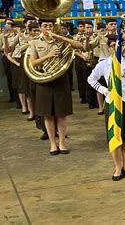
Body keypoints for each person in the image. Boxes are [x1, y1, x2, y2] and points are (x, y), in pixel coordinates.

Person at [27, 19, 84, 155]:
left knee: (61, 114)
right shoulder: (34, 42)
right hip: (45, 79)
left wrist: (59, 36)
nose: (48, 28)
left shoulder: (60, 40)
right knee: (48, 115)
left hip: (61, 80)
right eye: (45, 26)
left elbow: (80, 46)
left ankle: (62, 143)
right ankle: (53, 144)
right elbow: (33, 63)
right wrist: (48, 56)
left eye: (50, 26)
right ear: (40, 27)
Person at [88, 34, 125, 181]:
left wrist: (120, 71)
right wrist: (104, 90)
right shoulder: (103, 63)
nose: (117, 48)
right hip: (113, 102)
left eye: (120, 45)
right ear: (109, 47)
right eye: (113, 45)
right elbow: (91, 79)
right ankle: (117, 167)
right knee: (115, 135)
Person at [0, 19, 17, 104]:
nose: (9, 25)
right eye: (7, 23)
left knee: (16, 77)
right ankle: (12, 97)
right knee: (9, 77)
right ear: (4, 24)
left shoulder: (16, 34)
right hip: (6, 57)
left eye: (10, 23)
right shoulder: (1, 36)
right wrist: (5, 48)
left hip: (15, 56)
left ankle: (18, 98)